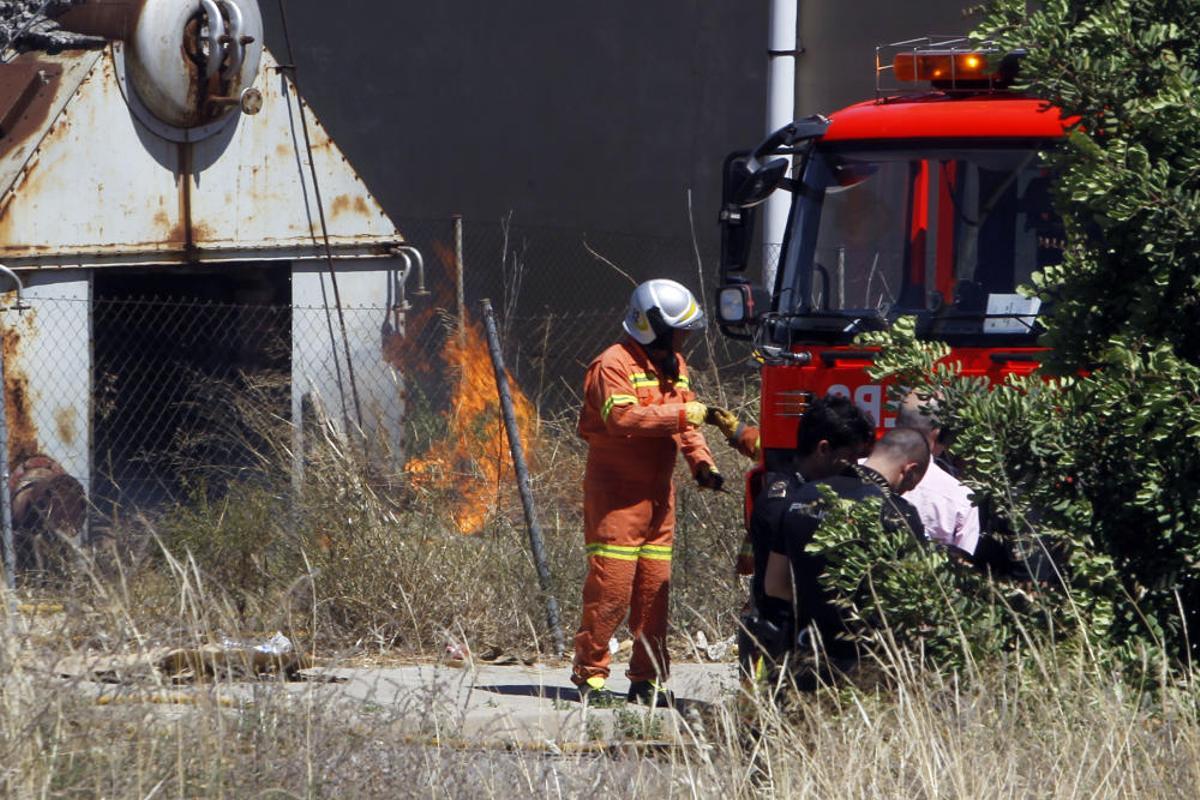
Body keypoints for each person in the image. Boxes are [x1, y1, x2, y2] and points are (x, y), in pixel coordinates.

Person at [572, 279, 724, 706]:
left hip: (659, 502)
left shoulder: (672, 363)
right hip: (616, 500)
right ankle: (590, 676)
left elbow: (687, 426)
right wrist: (681, 413)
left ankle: (648, 680)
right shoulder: (612, 364)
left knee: (654, 596)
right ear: (653, 325)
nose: (685, 341)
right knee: (611, 592)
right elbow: (622, 419)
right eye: (680, 331)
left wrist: (703, 464)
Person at [760, 427, 928, 683]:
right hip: (865, 667)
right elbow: (908, 604)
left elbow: (774, 584)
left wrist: (816, 602)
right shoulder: (897, 514)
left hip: (802, 657)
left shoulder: (803, 496)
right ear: (910, 471)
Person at [738, 396, 876, 679]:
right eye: (849, 456)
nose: (854, 466)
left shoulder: (805, 491)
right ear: (823, 449)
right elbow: (778, 586)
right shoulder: (785, 501)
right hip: (784, 642)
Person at [896, 391, 981, 557]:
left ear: (897, 421)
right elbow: (963, 566)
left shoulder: (856, 472)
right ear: (938, 432)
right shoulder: (963, 499)